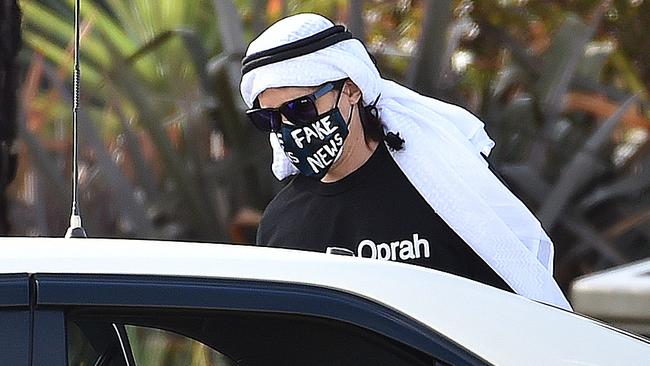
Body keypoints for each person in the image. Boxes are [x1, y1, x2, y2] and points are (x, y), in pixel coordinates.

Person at [240, 13, 571, 310]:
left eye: (301, 108)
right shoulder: (280, 225)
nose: (289, 127)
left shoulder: (445, 186)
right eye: (269, 118)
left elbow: (516, 305)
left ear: (352, 90)